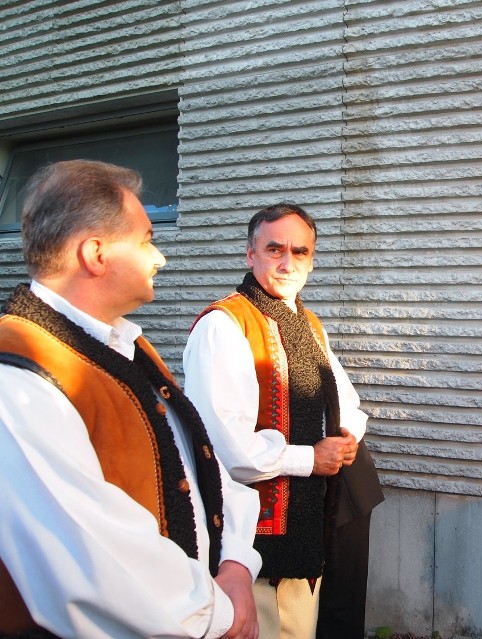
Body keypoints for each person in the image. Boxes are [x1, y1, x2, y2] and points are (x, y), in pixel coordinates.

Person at [0, 160, 262, 639]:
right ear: (96, 253)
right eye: (145, 239)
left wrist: (238, 565)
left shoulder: (123, 347)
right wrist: (220, 614)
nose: (158, 256)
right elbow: (91, 556)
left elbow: (200, 470)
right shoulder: (17, 379)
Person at [183, 203, 383, 639]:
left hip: (310, 514)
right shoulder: (224, 325)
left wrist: (349, 435)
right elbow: (224, 445)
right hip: (260, 527)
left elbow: (343, 398)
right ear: (250, 254)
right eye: (274, 249)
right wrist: (310, 459)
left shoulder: (308, 322)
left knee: (302, 625)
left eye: (300, 251)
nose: (288, 262)